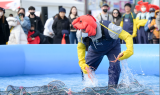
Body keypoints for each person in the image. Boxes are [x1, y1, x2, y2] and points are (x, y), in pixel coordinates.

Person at [72, 15, 133, 88]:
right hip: (95, 50)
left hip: (112, 47)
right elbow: (81, 48)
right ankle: (87, 87)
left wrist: (129, 50)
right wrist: (82, 62)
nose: (81, 31)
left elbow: (127, 36)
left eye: (83, 30)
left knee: (114, 67)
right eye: (81, 29)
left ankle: (112, 88)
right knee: (86, 69)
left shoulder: (109, 27)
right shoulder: (80, 33)